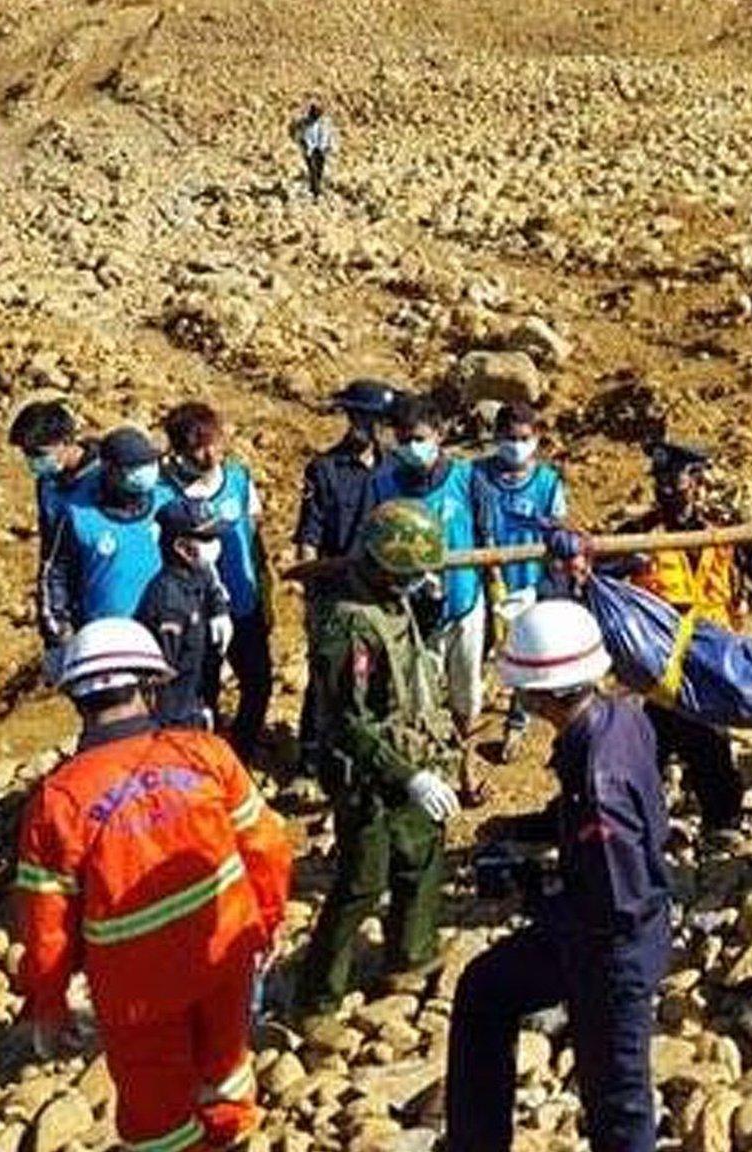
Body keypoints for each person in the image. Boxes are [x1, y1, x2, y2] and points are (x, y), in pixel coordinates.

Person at [14, 619, 291, 1152]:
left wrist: (48, 1006)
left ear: (76, 699)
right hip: (224, 959)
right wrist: (268, 923)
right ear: (151, 685)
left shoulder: (57, 802)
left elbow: (47, 929)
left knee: (157, 1115)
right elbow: (268, 849)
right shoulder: (206, 755)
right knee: (228, 1075)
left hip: (136, 990)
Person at [447, 600, 671, 1152]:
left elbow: (614, 904)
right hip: (605, 930)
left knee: (619, 1106)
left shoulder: (598, 781)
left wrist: (529, 889)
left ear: (538, 692)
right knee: (484, 990)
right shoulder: (622, 719)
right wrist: (521, 829)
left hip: (611, 951)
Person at [287, 501, 462, 1020]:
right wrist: (408, 777)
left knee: (422, 856)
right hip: (370, 772)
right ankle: (318, 997)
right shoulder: (350, 625)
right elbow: (347, 722)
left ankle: (410, 955)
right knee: (362, 883)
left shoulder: (390, 600)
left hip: (411, 755)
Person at [615, 440, 752, 849]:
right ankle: (672, 819)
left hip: (714, 661)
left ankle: (716, 819)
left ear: (697, 482)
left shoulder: (722, 535)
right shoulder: (638, 538)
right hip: (663, 664)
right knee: (662, 738)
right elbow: (603, 573)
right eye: (661, 480)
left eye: (676, 479)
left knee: (696, 738)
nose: (667, 488)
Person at [371, 396, 487, 803]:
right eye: (404, 439)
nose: (412, 447)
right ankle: (427, 773)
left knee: (466, 695)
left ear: (439, 436)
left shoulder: (465, 477)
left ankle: (467, 767)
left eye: (419, 438)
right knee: (420, 698)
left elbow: (485, 534)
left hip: (464, 601)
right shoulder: (383, 482)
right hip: (414, 612)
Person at [295, 379, 395, 778]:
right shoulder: (325, 470)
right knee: (328, 677)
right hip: (337, 593)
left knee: (380, 677)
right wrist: (312, 600)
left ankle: (374, 754)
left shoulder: (396, 467)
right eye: (363, 419)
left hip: (384, 593)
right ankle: (310, 756)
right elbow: (308, 537)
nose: (368, 428)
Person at [162, 403, 273, 763]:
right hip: (196, 610)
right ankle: (206, 760)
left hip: (243, 600)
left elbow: (255, 538)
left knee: (258, 681)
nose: (208, 454)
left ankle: (241, 749)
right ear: (179, 451)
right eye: (197, 447)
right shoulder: (167, 495)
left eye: (213, 443)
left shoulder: (238, 479)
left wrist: (264, 593)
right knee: (201, 690)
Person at [472, 403, 571, 764]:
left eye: (524, 439)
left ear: (537, 439)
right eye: (509, 438)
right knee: (478, 650)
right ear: (496, 438)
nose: (516, 445)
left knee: (528, 653)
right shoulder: (476, 476)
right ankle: (461, 723)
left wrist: (547, 584)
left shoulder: (547, 483)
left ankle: (517, 722)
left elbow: (560, 532)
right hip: (482, 582)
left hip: (529, 582)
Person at [41, 427, 173, 646]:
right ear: (109, 469)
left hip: (163, 632)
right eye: (133, 467)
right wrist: (59, 634)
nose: (145, 472)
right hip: (102, 637)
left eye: (147, 464)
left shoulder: (166, 500)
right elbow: (56, 574)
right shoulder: (77, 514)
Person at [9, 400, 102, 676]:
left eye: (38, 452)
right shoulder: (48, 483)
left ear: (65, 442)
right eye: (27, 454)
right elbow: (50, 555)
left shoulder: (103, 478)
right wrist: (54, 628)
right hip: (69, 589)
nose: (32, 461)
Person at [136, 499, 233, 731]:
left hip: (196, 704)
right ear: (182, 547)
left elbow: (210, 585)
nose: (215, 544)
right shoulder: (168, 602)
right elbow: (160, 680)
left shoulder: (195, 575)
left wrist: (219, 610)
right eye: (207, 539)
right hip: (174, 721)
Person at [293, 104, 338, 199]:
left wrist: (329, 146)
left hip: (321, 148)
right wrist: (303, 146)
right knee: (312, 169)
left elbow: (329, 134)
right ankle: (315, 190)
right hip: (310, 150)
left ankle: (316, 187)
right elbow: (299, 136)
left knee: (319, 169)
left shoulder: (324, 123)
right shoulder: (304, 123)